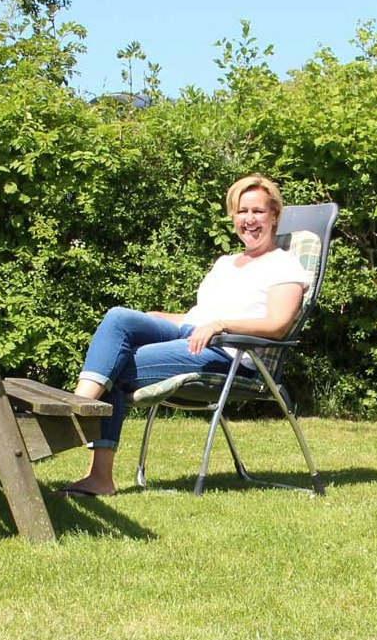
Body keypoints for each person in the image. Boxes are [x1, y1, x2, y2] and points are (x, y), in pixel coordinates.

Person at [61, 174, 311, 497]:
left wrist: (222, 325)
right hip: (191, 333)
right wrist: (156, 317)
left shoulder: (284, 265)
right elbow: (199, 315)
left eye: (258, 212)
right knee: (119, 318)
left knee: (117, 366)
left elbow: (277, 324)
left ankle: (86, 451)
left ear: (274, 215)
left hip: (229, 354)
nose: (249, 220)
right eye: (241, 211)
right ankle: (77, 407)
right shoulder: (225, 263)